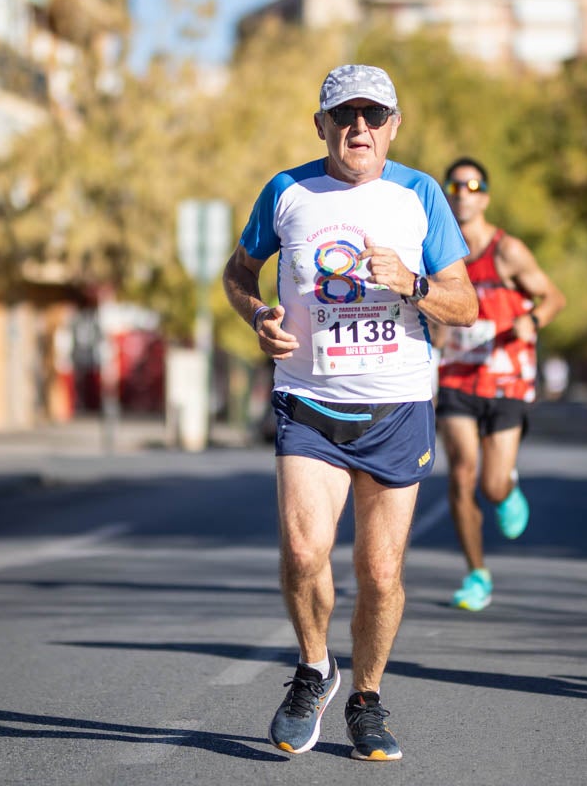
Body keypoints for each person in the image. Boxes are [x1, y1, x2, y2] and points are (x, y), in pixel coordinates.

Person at [221, 64, 477, 762]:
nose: (357, 128)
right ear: (321, 124)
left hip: (396, 404)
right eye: (344, 115)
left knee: (380, 571)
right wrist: (258, 316)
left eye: (373, 115)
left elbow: (466, 303)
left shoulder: (421, 194)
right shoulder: (287, 190)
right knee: (305, 551)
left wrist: (415, 282)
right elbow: (238, 272)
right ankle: (313, 669)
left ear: (394, 124)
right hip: (308, 400)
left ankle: (366, 696)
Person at [431, 157, 567, 612]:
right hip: (456, 377)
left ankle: (506, 487)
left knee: (489, 485)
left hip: (506, 379)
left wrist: (532, 319)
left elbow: (554, 297)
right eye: (456, 186)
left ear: (485, 196)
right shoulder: (436, 252)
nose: (464, 193)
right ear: (447, 195)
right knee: (461, 473)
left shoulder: (507, 251)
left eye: (474, 186)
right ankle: (476, 574)